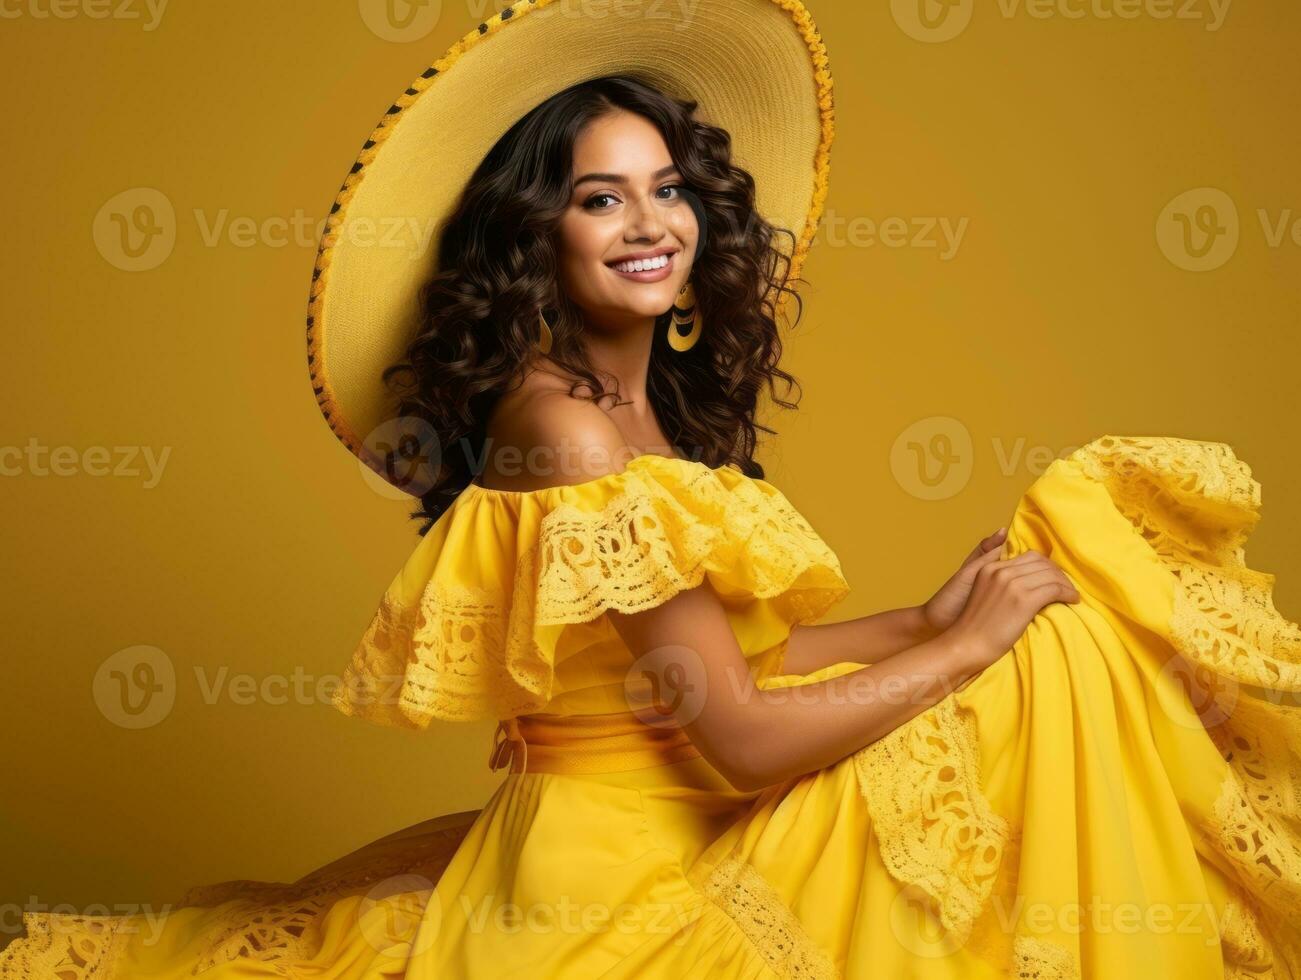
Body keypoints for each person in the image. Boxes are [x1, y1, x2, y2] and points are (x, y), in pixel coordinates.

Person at [4, 1, 1298, 977]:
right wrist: (962, 653)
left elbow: (734, 660)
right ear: (535, 235)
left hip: (674, 822)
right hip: (620, 885)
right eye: (597, 197)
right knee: (1048, 659)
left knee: (1060, 626)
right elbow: (734, 743)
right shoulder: (560, 428)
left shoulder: (638, 414)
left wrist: (921, 622)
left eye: (667, 188)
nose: (649, 222)